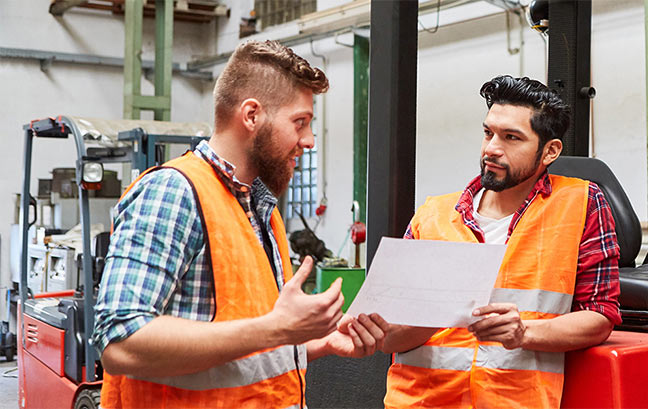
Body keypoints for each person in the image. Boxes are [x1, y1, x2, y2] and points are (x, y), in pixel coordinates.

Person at [93, 40, 387, 409]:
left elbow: (248, 349)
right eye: (300, 122)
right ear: (251, 116)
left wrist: (317, 341)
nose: (309, 140)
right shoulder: (174, 191)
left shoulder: (261, 209)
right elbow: (119, 343)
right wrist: (279, 328)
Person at [381, 75, 621, 408]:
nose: (492, 148)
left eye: (511, 138)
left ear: (549, 151)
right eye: (488, 133)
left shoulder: (581, 203)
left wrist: (524, 333)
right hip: (422, 402)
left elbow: (599, 316)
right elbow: (388, 337)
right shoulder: (432, 215)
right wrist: (429, 315)